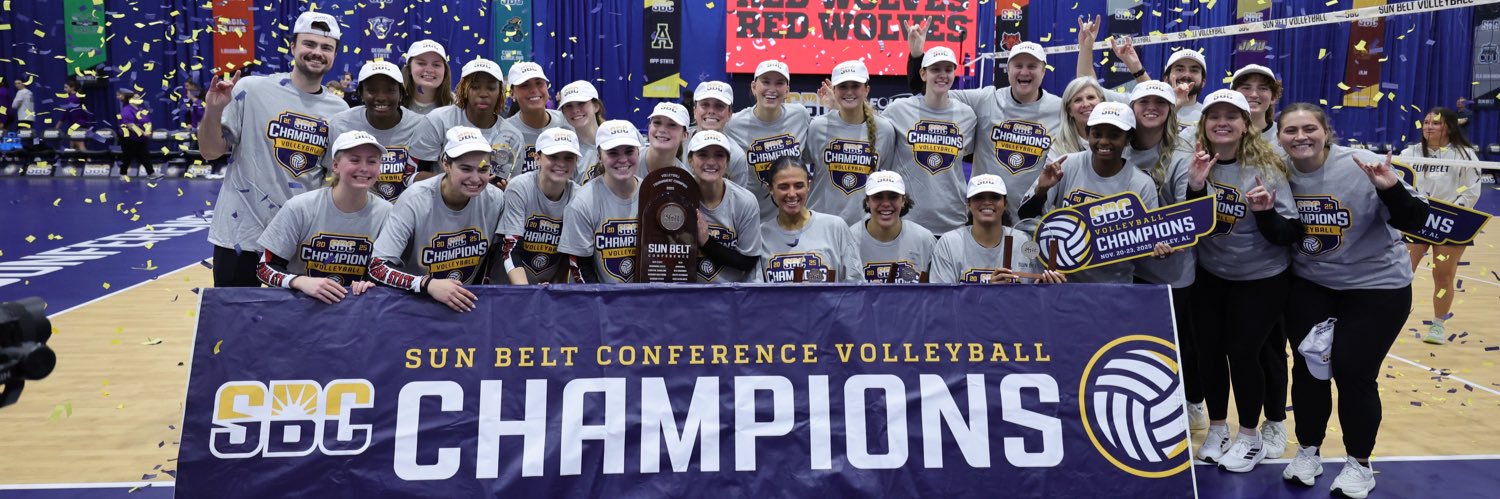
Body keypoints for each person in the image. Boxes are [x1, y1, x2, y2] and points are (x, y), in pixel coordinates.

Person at [1263, 103, 1428, 498]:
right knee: (1308, 370)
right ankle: (1308, 451)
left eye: (1309, 128)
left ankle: (1359, 463)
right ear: (1280, 136)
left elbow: (1415, 219)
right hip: (1313, 284)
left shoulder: (1363, 164)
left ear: (1326, 131)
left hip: (1376, 287)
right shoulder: (1278, 170)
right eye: (1290, 130)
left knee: (1353, 371)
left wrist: (1389, 186)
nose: (1300, 136)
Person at [1169, 90, 1295, 473]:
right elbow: (1187, 225)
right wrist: (1194, 186)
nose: (1222, 122)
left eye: (1232, 116)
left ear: (1245, 126)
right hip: (1211, 274)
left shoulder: (1268, 166)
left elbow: (1288, 232)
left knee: (1244, 354)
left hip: (1261, 278)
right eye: (1214, 116)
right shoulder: (1193, 162)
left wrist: (1265, 212)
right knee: (1208, 352)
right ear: (1204, 125)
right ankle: (1218, 428)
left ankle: (1250, 437)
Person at [198, 11, 348, 287]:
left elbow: (334, 178)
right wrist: (214, 109)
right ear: (293, 46)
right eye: (309, 44)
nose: (317, 52)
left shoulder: (340, 111)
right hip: (240, 236)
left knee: (293, 329)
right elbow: (210, 151)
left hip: (298, 240)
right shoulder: (251, 89)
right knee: (236, 327)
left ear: (335, 54)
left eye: (326, 47)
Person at [906, 20, 1061, 220]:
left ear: (1043, 71)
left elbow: (1093, 103)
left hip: (1033, 218)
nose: (1024, 72)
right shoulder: (986, 99)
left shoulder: (1059, 108)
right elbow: (929, 92)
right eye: (1018, 65)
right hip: (984, 215)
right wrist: (917, 54)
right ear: (1008, 69)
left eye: (1032, 66)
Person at [1123, 80, 1209, 432]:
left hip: (1173, 267)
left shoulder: (1181, 153)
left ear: (1171, 109)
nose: (1151, 107)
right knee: (1138, 341)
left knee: (1184, 342)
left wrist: (1195, 190)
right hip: (1127, 268)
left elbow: (1186, 210)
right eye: (1144, 101)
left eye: (1159, 102)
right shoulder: (1116, 147)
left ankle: (1193, 402)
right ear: (1132, 107)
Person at [1019, 102, 1159, 283]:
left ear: (1127, 138)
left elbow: (1148, 243)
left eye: (1114, 135)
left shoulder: (1141, 183)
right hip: (1061, 281)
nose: (1103, 141)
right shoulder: (1067, 165)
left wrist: (1158, 251)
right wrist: (1041, 190)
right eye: (1097, 134)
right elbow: (1025, 216)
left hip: (1112, 286)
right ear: (1087, 134)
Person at [369, 126, 504, 311]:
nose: (475, 178)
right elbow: (377, 267)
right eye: (465, 168)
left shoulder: (495, 199)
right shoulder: (415, 199)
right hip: (415, 305)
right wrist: (428, 285)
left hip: (467, 306)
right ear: (445, 164)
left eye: (483, 169)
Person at [255, 130, 393, 302]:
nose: (364, 168)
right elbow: (265, 268)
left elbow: (388, 272)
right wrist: (299, 281)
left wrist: (371, 284)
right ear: (335, 166)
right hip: (300, 309)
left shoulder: (388, 214)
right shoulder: (300, 207)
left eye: (372, 161)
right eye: (354, 160)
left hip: (357, 312)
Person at [1400, 107, 1483, 344]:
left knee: (1444, 276)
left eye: (1435, 123)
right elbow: (1402, 185)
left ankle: (1437, 325)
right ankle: (1391, 316)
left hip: (1449, 222)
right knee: (1402, 272)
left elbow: (1471, 190)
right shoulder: (1410, 152)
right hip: (1416, 220)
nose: (1428, 126)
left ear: (1449, 127)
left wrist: (1449, 212)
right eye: (1426, 122)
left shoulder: (1465, 154)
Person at [883, 46, 978, 236]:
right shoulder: (898, 110)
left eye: (948, 69)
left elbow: (969, 155)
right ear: (923, 74)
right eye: (935, 69)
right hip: (908, 221)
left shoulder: (967, 116)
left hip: (953, 222)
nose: (942, 75)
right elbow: (870, 133)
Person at [325, 60, 437, 202]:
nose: (381, 97)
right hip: (355, 214)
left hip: (407, 215)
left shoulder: (422, 125)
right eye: (372, 90)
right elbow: (330, 176)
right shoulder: (341, 124)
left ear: (401, 94)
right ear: (361, 94)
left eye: (390, 90)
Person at [808, 60, 898, 225]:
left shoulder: (884, 130)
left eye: (855, 86)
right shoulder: (817, 127)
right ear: (833, 90)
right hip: (820, 225)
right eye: (843, 86)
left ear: (866, 90)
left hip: (864, 226)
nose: (849, 92)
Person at [931, 174, 1065, 284]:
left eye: (995, 197)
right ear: (969, 204)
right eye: (979, 197)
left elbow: (1036, 294)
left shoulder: (1025, 241)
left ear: (1005, 204)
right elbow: (942, 300)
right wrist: (988, 292)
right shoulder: (949, 243)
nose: (987, 202)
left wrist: (1047, 287)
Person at [411, 57, 524, 183]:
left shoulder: (513, 136)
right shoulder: (438, 121)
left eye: (491, 88)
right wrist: (455, 184)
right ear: (463, 89)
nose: (483, 94)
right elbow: (413, 176)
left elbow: (512, 184)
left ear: (500, 92)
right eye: (475, 87)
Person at [558, 120, 644, 283]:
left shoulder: (651, 193)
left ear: (639, 152)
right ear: (599, 156)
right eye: (612, 152)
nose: (623, 159)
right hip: (601, 302)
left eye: (629, 151)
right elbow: (580, 268)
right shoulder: (582, 202)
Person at [725, 59, 811, 220]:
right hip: (752, 219)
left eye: (779, 83)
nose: (772, 89)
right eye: (765, 82)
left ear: (787, 90)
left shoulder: (800, 115)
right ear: (754, 86)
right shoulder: (733, 124)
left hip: (792, 217)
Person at [754, 156, 861, 283]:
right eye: (784, 187)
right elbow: (756, 294)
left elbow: (856, 286)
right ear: (771, 188)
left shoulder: (835, 227)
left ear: (808, 185)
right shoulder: (761, 236)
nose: (792, 194)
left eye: (799, 186)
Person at [498, 128, 581, 284]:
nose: (561, 163)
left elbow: (569, 255)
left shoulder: (578, 196)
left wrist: (555, 287)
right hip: (510, 288)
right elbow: (510, 248)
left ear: (576, 161)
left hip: (546, 289)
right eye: (553, 156)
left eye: (569, 157)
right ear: (537, 158)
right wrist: (527, 293)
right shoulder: (520, 187)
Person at [686, 130, 762, 283]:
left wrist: (707, 242)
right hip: (688, 294)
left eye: (719, 155)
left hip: (731, 295)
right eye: (702, 154)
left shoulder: (745, 201)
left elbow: (748, 262)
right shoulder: (678, 196)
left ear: (727, 163)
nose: (711, 162)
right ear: (690, 161)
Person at [848, 171, 934, 283]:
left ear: (903, 201)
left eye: (893, 197)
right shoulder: (850, 240)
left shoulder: (925, 239)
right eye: (877, 197)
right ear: (867, 201)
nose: (886, 204)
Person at [505, 61, 569, 177]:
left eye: (539, 83)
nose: (534, 90)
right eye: (525, 85)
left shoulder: (566, 122)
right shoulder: (504, 132)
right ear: (512, 94)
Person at [687, 80, 753, 189]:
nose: (711, 111)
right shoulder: (679, 143)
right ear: (694, 111)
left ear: (729, 113)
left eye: (719, 106)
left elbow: (736, 199)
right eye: (705, 105)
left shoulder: (736, 157)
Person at [1046, 77, 1110, 162]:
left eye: (1090, 97)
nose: (1086, 104)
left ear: (1102, 102)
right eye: (1078, 100)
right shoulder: (1059, 148)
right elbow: (1049, 175)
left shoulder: (1118, 138)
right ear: (1069, 111)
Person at [557, 80, 604, 183]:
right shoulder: (566, 152)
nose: (575, 110)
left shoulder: (621, 135)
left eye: (581, 103)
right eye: (569, 105)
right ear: (563, 112)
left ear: (596, 106)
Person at [401, 39, 454, 115]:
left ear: (445, 71)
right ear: (409, 69)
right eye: (421, 63)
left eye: (436, 65)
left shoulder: (458, 107)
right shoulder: (394, 104)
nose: (429, 70)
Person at [638, 102, 690, 178]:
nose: (662, 130)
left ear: (684, 135)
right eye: (657, 122)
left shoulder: (686, 181)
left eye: (672, 125)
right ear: (649, 128)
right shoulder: (629, 161)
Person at [116, 89, 155, 179]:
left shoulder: (142, 110)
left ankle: (151, 174)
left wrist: (148, 131)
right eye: (136, 98)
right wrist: (143, 133)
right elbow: (130, 125)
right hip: (129, 139)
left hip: (141, 139)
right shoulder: (126, 110)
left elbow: (148, 122)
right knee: (127, 157)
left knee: (145, 156)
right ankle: (123, 173)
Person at [1164, 49, 1208, 125]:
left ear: (1203, 82)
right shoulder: (1153, 112)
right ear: (1166, 79)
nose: (1186, 75)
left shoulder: (1208, 116)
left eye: (1194, 70)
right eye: (1179, 69)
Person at [58, 79, 88, 151]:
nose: (64, 89)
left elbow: (65, 114)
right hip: (79, 124)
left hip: (77, 125)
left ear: (72, 88)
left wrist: (57, 125)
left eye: (66, 87)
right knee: (73, 145)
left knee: (79, 144)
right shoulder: (74, 97)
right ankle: (73, 161)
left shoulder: (72, 98)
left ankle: (89, 160)